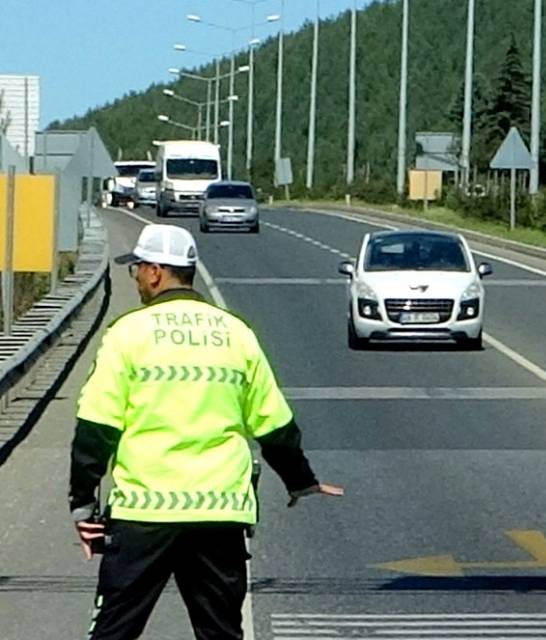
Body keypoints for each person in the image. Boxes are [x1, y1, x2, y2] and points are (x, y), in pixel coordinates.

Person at [69, 224, 344, 639]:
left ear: (156, 272)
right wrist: (299, 480)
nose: (137, 278)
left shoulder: (128, 334)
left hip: (145, 514)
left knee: (113, 631)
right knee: (220, 632)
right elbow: (273, 423)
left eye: (138, 269)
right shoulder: (236, 334)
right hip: (219, 514)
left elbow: (96, 426)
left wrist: (83, 503)